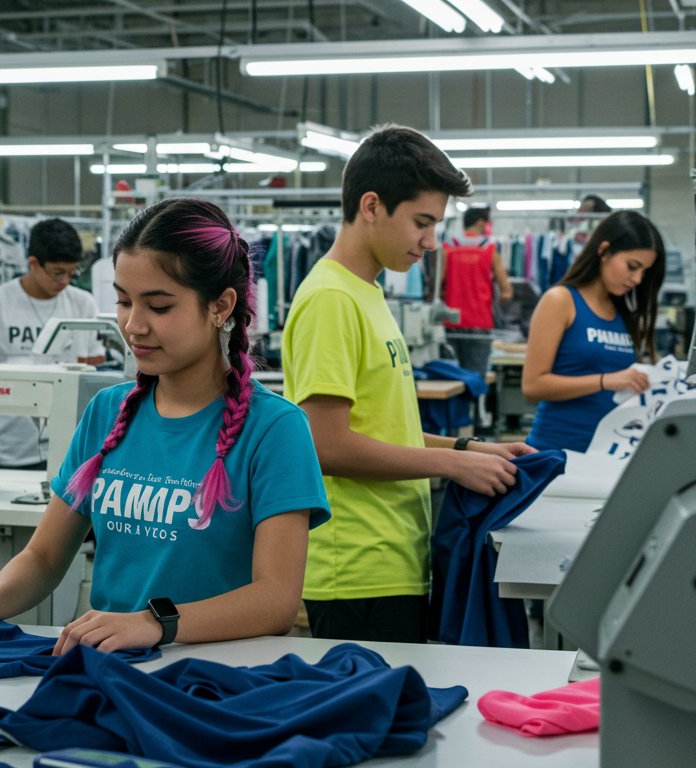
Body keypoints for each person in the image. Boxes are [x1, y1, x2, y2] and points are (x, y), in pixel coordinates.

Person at [0, 198, 330, 653]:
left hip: (217, 681)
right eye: (124, 301)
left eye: (159, 306)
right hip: (112, 671)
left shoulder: (275, 429)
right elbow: (45, 556)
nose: (134, 325)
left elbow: (276, 601)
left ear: (221, 306)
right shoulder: (107, 412)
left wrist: (155, 624)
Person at [281, 125, 535, 644]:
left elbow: (382, 431)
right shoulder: (331, 299)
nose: (430, 241)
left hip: (393, 558)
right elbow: (325, 444)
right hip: (354, 572)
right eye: (422, 222)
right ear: (371, 205)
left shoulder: (367, 293)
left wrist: (470, 448)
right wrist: (452, 464)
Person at [0, 217, 105, 470]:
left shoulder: (83, 303)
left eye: (73, 272)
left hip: (67, 445)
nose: (65, 281)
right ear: (33, 263)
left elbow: (91, 365)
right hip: (7, 447)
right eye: (57, 273)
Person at [522, 211, 665, 453]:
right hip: (558, 452)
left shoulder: (623, 312)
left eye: (644, 272)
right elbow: (533, 386)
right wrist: (606, 381)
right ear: (604, 251)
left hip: (610, 453)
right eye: (632, 266)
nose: (637, 279)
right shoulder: (561, 300)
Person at [442, 205, 512, 374]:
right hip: (480, 322)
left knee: (451, 378)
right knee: (476, 379)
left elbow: (438, 284)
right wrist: (495, 307)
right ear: (481, 223)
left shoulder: (448, 247)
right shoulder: (489, 249)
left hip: (452, 321)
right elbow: (507, 292)